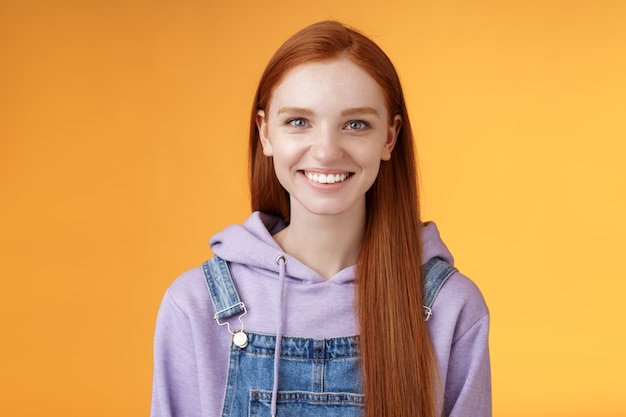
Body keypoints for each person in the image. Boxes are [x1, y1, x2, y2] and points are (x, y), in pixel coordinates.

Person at [151, 21, 491, 417]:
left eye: (355, 124)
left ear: (389, 138)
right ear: (265, 133)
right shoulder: (196, 304)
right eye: (299, 122)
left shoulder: (449, 307)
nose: (327, 152)